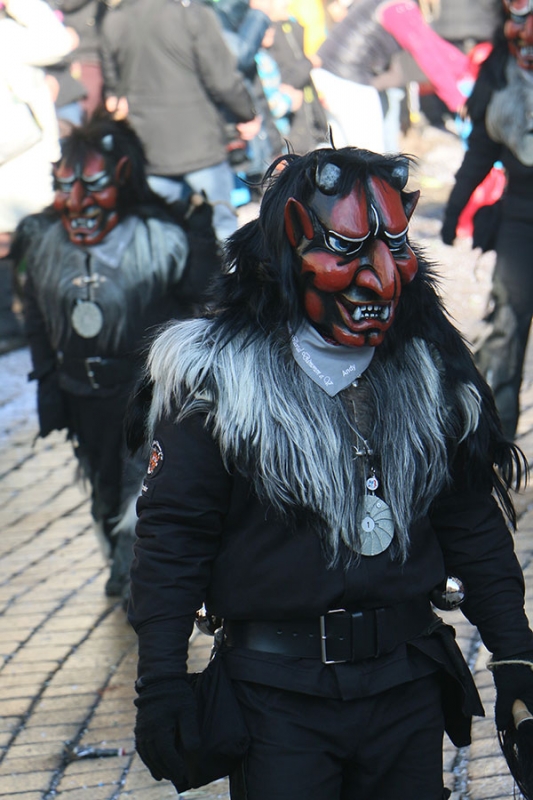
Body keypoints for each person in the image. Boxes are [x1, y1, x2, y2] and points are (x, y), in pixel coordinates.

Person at [128, 145, 533, 799]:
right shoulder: (219, 384)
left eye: (392, 247)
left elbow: (469, 521)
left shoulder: (428, 373)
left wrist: (515, 653)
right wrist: (161, 682)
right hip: (276, 700)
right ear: (289, 249)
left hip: (406, 683)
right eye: (345, 250)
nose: (380, 279)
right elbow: (172, 538)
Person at [18, 112, 220, 602]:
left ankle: (141, 574)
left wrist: (198, 237)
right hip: (82, 391)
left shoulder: (165, 237)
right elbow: (37, 318)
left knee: (146, 485)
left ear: (125, 180)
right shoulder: (42, 241)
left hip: (146, 391)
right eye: (65, 186)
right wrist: (48, 383)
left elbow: (204, 301)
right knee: (105, 484)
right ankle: (118, 558)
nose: (78, 202)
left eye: (95, 185)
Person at [441, 2, 533, 441]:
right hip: (521, 221)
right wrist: (454, 209)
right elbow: (480, 151)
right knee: (506, 334)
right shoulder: (500, 71)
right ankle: (498, 450)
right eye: (518, 14)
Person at [100, 0, 257, 243]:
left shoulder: (115, 21)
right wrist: (246, 114)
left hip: (149, 147)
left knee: (162, 237)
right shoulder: (192, 15)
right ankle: (232, 279)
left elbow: (114, 91)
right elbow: (223, 80)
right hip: (200, 141)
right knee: (225, 232)